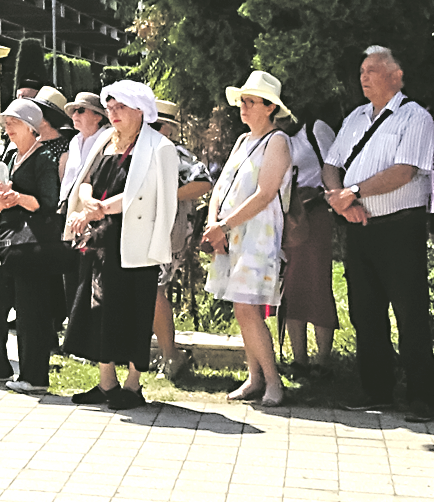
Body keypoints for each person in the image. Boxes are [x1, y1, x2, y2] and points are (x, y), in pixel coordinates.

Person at [323, 46, 434, 421]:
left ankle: (422, 395)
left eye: (372, 70)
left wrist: (354, 192)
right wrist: (341, 200)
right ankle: (377, 390)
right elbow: (331, 164)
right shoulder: (355, 117)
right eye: (362, 71)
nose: (364, 77)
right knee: (365, 311)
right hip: (360, 227)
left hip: (400, 227)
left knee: (410, 311)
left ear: (396, 76)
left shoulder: (415, 117)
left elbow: (404, 171)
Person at [64, 79, 178, 411]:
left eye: (121, 107)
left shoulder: (159, 147)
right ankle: (107, 382)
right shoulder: (105, 140)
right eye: (110, 107)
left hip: (136, 243)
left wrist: (101, 208)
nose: (113, 113)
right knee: (99, 309)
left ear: (140, 110)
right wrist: (88, 202)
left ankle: (133, 385)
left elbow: (154, 197)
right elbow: (84, 180)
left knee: (134, 312)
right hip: (100, 239)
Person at [203, 71, 296, 407]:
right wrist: (214, 223)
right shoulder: (243, 140)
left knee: (247, 306)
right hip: (232, 233)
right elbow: (221, 186)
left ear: (270, 107)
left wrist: (223, 225)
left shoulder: (278, 141)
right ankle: (255, 377)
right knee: (242, 309)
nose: (243, 106)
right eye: (242, 101)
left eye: (251, 101)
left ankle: (273, 381)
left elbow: (265, 193)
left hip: (259, 234)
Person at [0, 98, 67, 394]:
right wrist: (1, 202)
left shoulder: (44, 158)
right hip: (3, 239)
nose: (8, 128)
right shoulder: (10, 154)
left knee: (31, 310)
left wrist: (17, 197)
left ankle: (35, 376)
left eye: (14, 123)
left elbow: (48, 203)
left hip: (31, 244)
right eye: (6, 123)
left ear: (31, 126)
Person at [150, 99, 214, 379]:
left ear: (168, 129)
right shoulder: (142, 150)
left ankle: (171, 356)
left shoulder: (175, 152)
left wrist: (165, 196)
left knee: (154, 289)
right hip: (148, 230)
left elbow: (203, 183)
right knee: (149, 290)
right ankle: (165, 354)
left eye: (154, 124)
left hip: (169, 231)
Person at [278, 110, 340, 371]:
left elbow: (333, 166)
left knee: (317, 282)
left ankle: (323, 359)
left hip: (313, 214)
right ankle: (299, 359)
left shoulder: (315, 129)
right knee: (291, 286)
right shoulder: (274, 135)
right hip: (285, 215)